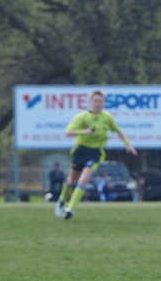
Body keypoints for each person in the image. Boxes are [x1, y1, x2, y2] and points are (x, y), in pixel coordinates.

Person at [53, 90, 138, 219]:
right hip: (81, 151)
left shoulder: (107, 117)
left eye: (101, 101)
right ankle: (61, 201)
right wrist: (84, 131)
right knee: (71, 180)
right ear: (90, 102)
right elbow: (68, 132)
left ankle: (70, 208)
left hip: (95, 153)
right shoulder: (82, 117)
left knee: (83, 180)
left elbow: (118, 130)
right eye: (96, 101)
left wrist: (128, 144)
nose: (98, 104)